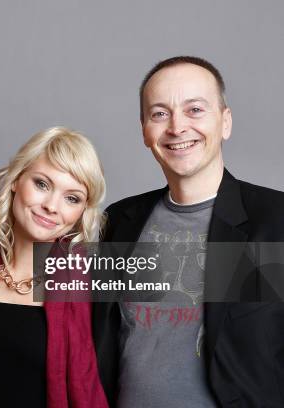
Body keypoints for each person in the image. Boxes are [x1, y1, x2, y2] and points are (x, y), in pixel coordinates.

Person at [93, 56, 284, 407]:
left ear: (225, 122)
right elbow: (57, 296)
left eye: (195, 109)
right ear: (144, 130)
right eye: (160, 113)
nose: (177, 127)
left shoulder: (276, 220)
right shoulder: (120, 220)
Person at [0, 127, 108, 408]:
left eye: (72, 198)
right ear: (17, 180)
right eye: (42, 184)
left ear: (81, 212)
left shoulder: (95, 281)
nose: (52, 206)